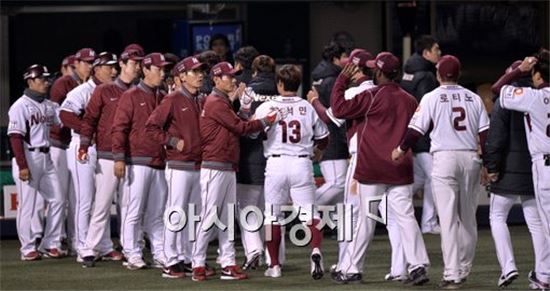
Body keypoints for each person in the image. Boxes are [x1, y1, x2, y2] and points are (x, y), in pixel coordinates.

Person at [332, 52, 430, 286]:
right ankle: (417, 266)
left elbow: (338, 109)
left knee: (366, 218)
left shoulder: (371, 96)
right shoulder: (410, 99)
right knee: (405, 217)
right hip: (400, 165)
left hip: (373, 166)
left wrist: (341, 80)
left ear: (378, 72)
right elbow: (420, 129)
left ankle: (353, 269)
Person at [393, 55, 489, 289]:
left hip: (444, 158)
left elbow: (416, 131)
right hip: (470, 158)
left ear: (438, 75)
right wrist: (487, 163)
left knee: (447, 219)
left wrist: (400, 148)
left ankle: (452, 274)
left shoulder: (431, 97)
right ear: (458, 74)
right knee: (467, 219)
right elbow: (485, 134)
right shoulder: (474, 98)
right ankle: (464, 268)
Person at [191, 61, 279, 281]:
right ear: (217, 79)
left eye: (234, 75)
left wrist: (245, 109)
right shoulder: (215, 102)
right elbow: (241, 128)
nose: (234, 79)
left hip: (227, 164)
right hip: (214, 165)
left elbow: (237, 122)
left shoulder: (222, 101)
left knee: (226, 218)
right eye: (229, 76)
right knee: (211, 215)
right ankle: (197, 262)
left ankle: (229, 262)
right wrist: (265, 121)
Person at [255, 64, 329, 280]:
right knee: (310, 216)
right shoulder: (308, 106)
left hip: (276, 164)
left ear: (279, 83)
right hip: (301, 163)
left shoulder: (267, 107)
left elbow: (252, 133)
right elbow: (324, 137)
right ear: (298, 85)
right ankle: (315, 251)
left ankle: (275, 265)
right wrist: (317, 152)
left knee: (272, 217)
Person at [485, 59, 550, 288]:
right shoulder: (534, 95)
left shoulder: (525, 97)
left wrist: (491, 166)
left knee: (498, 216)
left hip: (521, 170)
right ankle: (542, 275)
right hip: (532, 172)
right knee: (538, 223)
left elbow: (495, 137)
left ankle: (511, 267)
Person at [77, 48, 144, 268]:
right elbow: (89, 119)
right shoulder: (104, 91)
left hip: (133, 156)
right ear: (124, 64)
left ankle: (130, 248)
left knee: (129, 206)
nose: (138, 67)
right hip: (107, 154)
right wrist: (84, 144)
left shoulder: (140, 91)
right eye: (134, 63)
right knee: (102, 204)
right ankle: (88, 248)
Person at [145, 56, 207, 278]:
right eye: (195, 71)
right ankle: (171, 260)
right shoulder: (172, 99)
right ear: (182, 76)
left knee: (194, 214)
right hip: (179, 165)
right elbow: (151, 127)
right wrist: (172, 141)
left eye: (201, 71)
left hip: (199, 165)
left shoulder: (201, 99)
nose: (200, 75)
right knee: (176, 212)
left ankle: (189, 258)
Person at [111, 52, 171, 270]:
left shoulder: (164, 96)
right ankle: (131, 252)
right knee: (133, 211)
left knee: (157, 213)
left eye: (164, 69)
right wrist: (119, 158)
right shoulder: (131, 95)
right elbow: (119, 128)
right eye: (159, 69)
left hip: (159, 161)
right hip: (136, 160)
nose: (163, 73)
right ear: (146, 70)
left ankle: (159, 252)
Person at [60, 52, 119, 263]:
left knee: (102, 200)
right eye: (109, 67)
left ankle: (103, 245)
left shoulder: (114, 91)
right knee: (85, 199)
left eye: (114, 67)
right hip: (81, 147)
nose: (113, 71)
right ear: (97, 68)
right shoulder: (83, 91)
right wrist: (89, 131)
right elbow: (65, 114)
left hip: (103, 149)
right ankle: (82, 245)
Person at [8, 64, 65, 260]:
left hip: (46, 157)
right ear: (30, 81)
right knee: (28, 206)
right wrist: (23, 165)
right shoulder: (19, 106)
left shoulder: (49, 106)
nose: (46, 82)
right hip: (28, 157)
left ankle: (50, 243)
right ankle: (27, 248)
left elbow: (64, 122)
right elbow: (15, 137)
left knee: (57, 199)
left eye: (47, 79)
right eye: (42, 79)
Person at [236, 55, 282, 270]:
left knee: (248, 209)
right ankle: (276, 257)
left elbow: (240, 123)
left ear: (253, 71)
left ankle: (253, 249)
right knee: (272, 212)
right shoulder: (283, 90)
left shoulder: (247, 91)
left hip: (250, 156)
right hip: (276, 158)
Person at [49, 47, 96, 254]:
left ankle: (73, 239)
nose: (89, 66)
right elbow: (58, 115)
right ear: (75, 64)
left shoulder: (87, 85)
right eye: (86, 62)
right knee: (62, 196)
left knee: (76, 196)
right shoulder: (64, 83)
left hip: (75, 142)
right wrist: (85, 129)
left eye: (91, 62)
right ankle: (57, 239)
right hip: (60, 143)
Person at [400, 35, 442, 234]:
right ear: (426, 53)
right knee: (435, 177)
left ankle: (387, 206)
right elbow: (428, 109)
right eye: (436, 49)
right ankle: (429, 223)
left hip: (411, 132)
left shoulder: (408, 72)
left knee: (418, 178)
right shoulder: (425, 75)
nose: (439, 53)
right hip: (423, 135)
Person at [311, 41, 350, 207]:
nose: (347, 60)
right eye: (344, 57)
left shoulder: (321, 78)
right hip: (333, 140)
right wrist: (346, 142)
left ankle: (343, 232)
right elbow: (338, 116)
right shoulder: (333, 80)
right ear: (335, 59)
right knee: (337, 183)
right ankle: (305, 207)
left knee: (342, 194)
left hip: (323, 136)